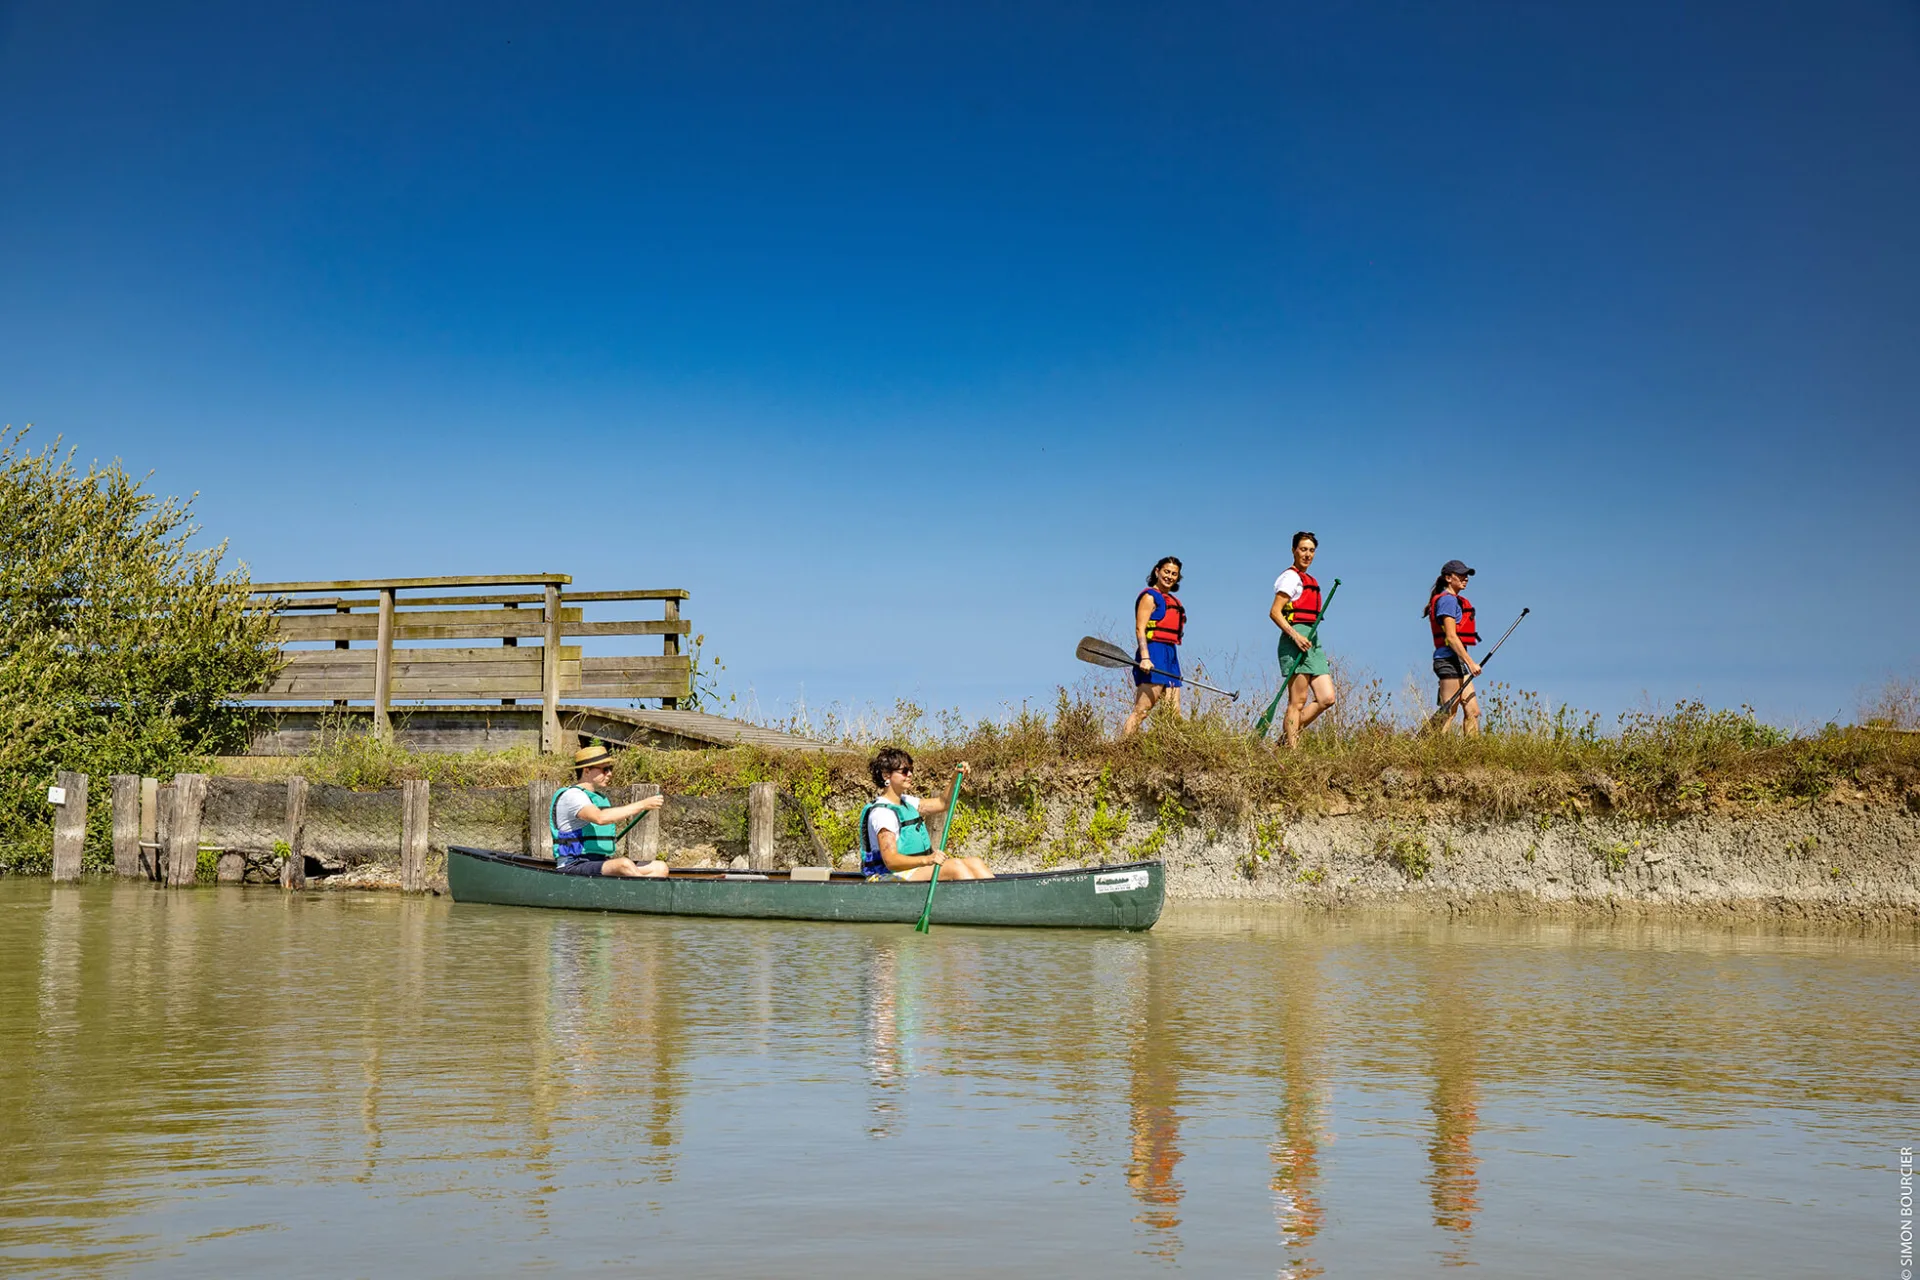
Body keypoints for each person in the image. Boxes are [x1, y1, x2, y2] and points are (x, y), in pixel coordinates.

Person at [858, 746, 993, 882]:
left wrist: (956, 777)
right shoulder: (882, 813)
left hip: (911, 870)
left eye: (911, 770)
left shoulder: (906, 801)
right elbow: (891, 861)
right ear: (886, 775)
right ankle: (975, 902)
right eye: (904, 771)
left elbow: (943, 803)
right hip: (886, 876)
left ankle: (998, 901)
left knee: (975, 863)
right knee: (956, 867)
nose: (910, 774)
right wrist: (927, 859)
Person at [550, 743, 671, 877]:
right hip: (573, 864)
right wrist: (642, 804)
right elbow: (600, 818)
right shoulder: (573, 795)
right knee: (623, 865)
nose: (610, 774)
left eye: (610, 768)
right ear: (586, 771)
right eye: (605, 769)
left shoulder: (597, 797)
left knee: (660, 867)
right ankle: (641, 894)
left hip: (598, 862)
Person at [1270, 531, 1336, 749]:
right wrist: (1295, 636)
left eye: (1311, 550)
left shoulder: (1310, 579)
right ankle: (1293, 751)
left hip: (1313, 640)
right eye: (1303, 549)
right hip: (1295, 639)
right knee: (1297, 701)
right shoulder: (1290, 577)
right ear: (1294, 550)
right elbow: (1275, 612)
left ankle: (1286, 736)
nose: (1307, 554)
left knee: (1327, 698)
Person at [1121, 556, 1186, 738]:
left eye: (1174, 574)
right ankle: (1121, 750)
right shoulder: (1150, 597)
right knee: (1142, 710)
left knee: (1174, 714)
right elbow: (1139, 628)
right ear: (1157, 571)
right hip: (1153, 651)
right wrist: (1145, 657)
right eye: (1166, 572)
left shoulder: (1173, 600)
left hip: (1170, 654)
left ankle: (1172, 754)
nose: (1170, 576)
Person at [1424, 559, 1483, 735]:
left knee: (1473, 711)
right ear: (1448, 578)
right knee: (1449, 712)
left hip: (1457, 661)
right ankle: (1432, 753)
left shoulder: (1456, 601)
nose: (1465, 578)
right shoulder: (1448, 601)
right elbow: (1451, 636)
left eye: (1466, 575)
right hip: (1447, 660)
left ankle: (1473, 755)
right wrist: (1471, 663)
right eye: (1461, 575)